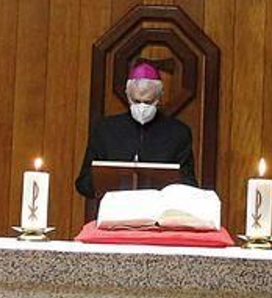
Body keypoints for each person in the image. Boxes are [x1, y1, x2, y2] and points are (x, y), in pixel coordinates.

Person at [74, 60, 196, 200]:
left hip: (159, 215)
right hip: (115, 214)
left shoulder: (178, 133)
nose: (142, 107)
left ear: (159, 96)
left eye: (149, 102)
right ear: (127, 95)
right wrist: (106, 179)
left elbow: (189, 185)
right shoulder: (105, 130)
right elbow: (83, 182)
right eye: (136, 101)